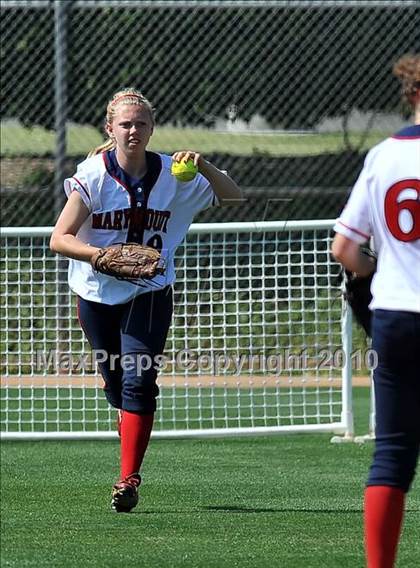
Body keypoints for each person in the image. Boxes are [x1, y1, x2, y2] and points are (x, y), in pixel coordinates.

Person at [50, 88, 242, 512]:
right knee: (118, 384)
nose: (133, 130)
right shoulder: (95, 175)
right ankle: (126, 431)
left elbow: (232, 195)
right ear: (110, 128)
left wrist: (205, 165)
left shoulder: (173, 175)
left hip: (150, 290)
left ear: (152, 129)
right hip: (96, 292)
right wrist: (101, 255)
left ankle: (128, 479)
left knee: (139, 380)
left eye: (140, 124)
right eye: (125, 124)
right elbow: (59, 239)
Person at [332, 54, 420, 568]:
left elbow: (345, 249)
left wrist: (379, 269)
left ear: (409, 95)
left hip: (395, 316)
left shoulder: (384, 156)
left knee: (391, 455)